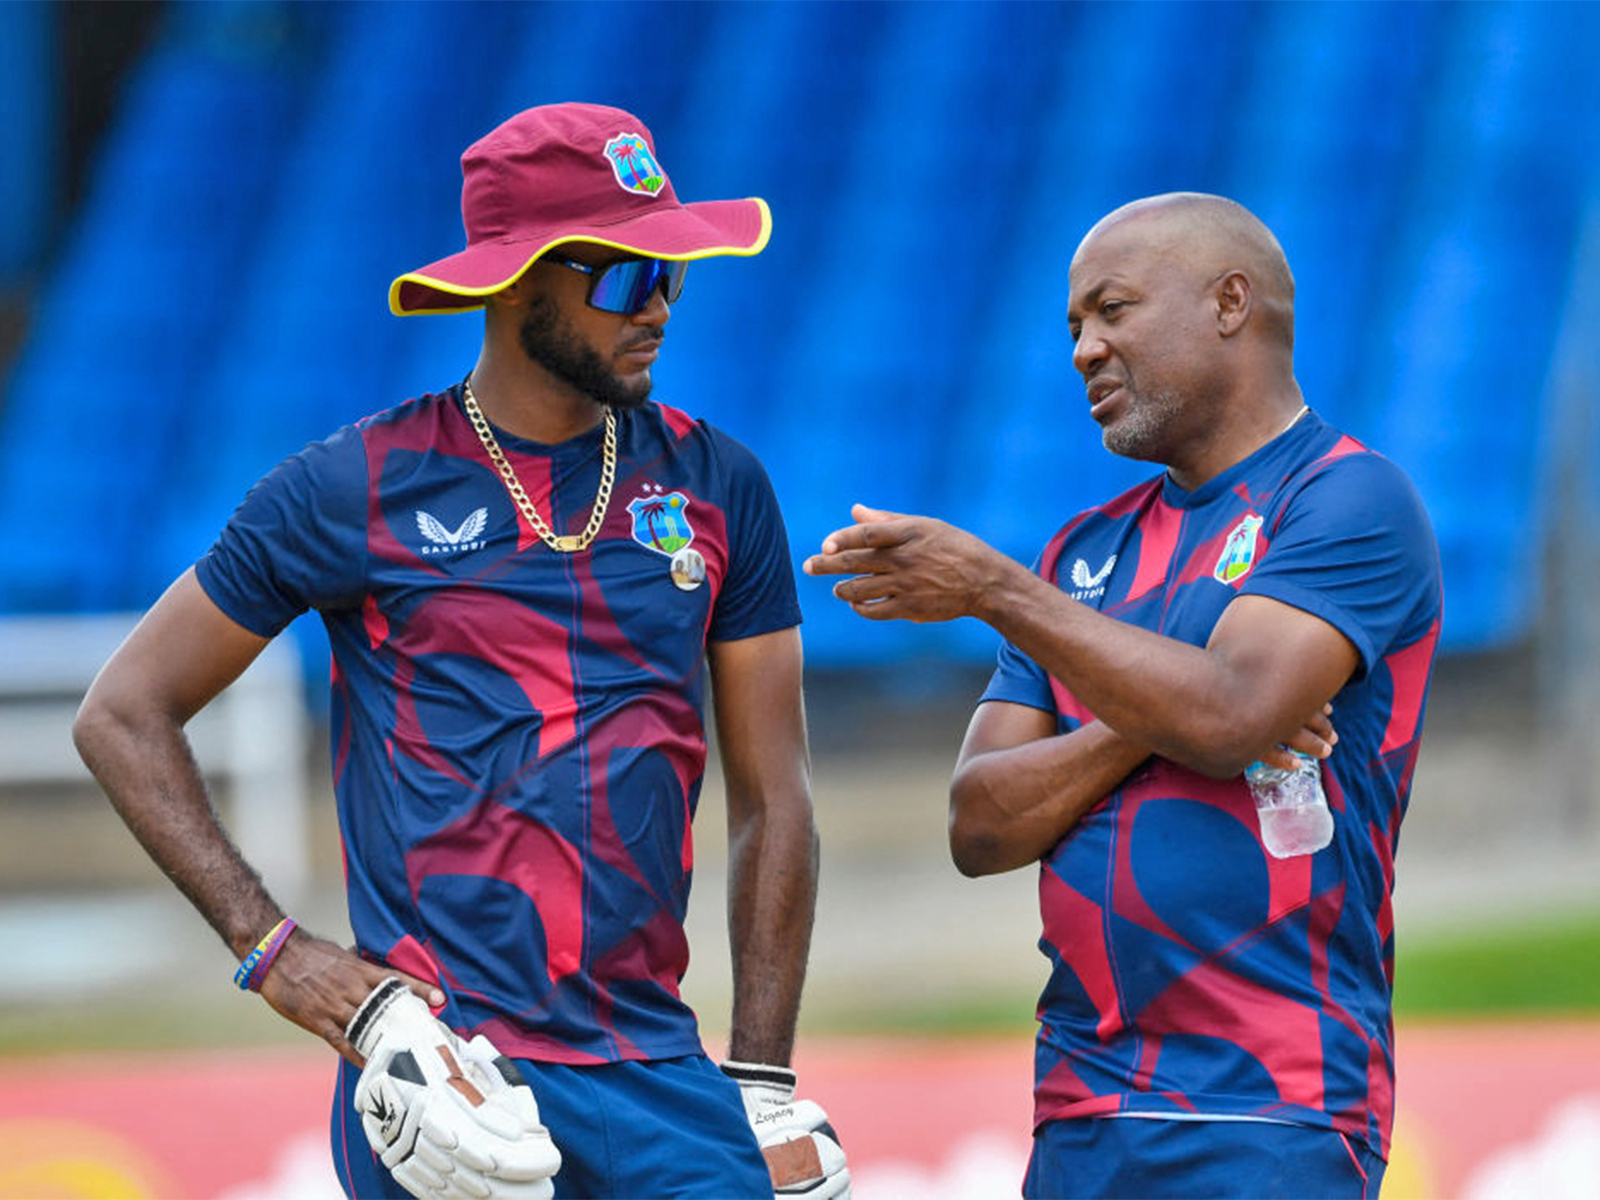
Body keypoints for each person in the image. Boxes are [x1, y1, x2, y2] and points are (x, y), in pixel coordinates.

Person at [75, 103, 847, 1200]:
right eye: (630, 276)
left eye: (674, 272)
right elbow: (122, 713)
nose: (661, 306)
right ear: (518, 281)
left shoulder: (721, 485)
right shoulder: (350, 487)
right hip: (449, 1084)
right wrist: (275, 952)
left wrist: (762, 1076)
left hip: (662, 1078)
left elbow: (776, 797)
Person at [804, 193, 1441, 1199]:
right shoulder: (1082, 553)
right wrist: (1150, 717)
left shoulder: (1348, 497)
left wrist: (996, 592)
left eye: (1112, 310)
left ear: (1229, 302)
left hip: (1272, 1106)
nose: (1083, 351)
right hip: (1081, 1109)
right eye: (1074, 327)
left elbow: (1229, 716)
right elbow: (981, 824)